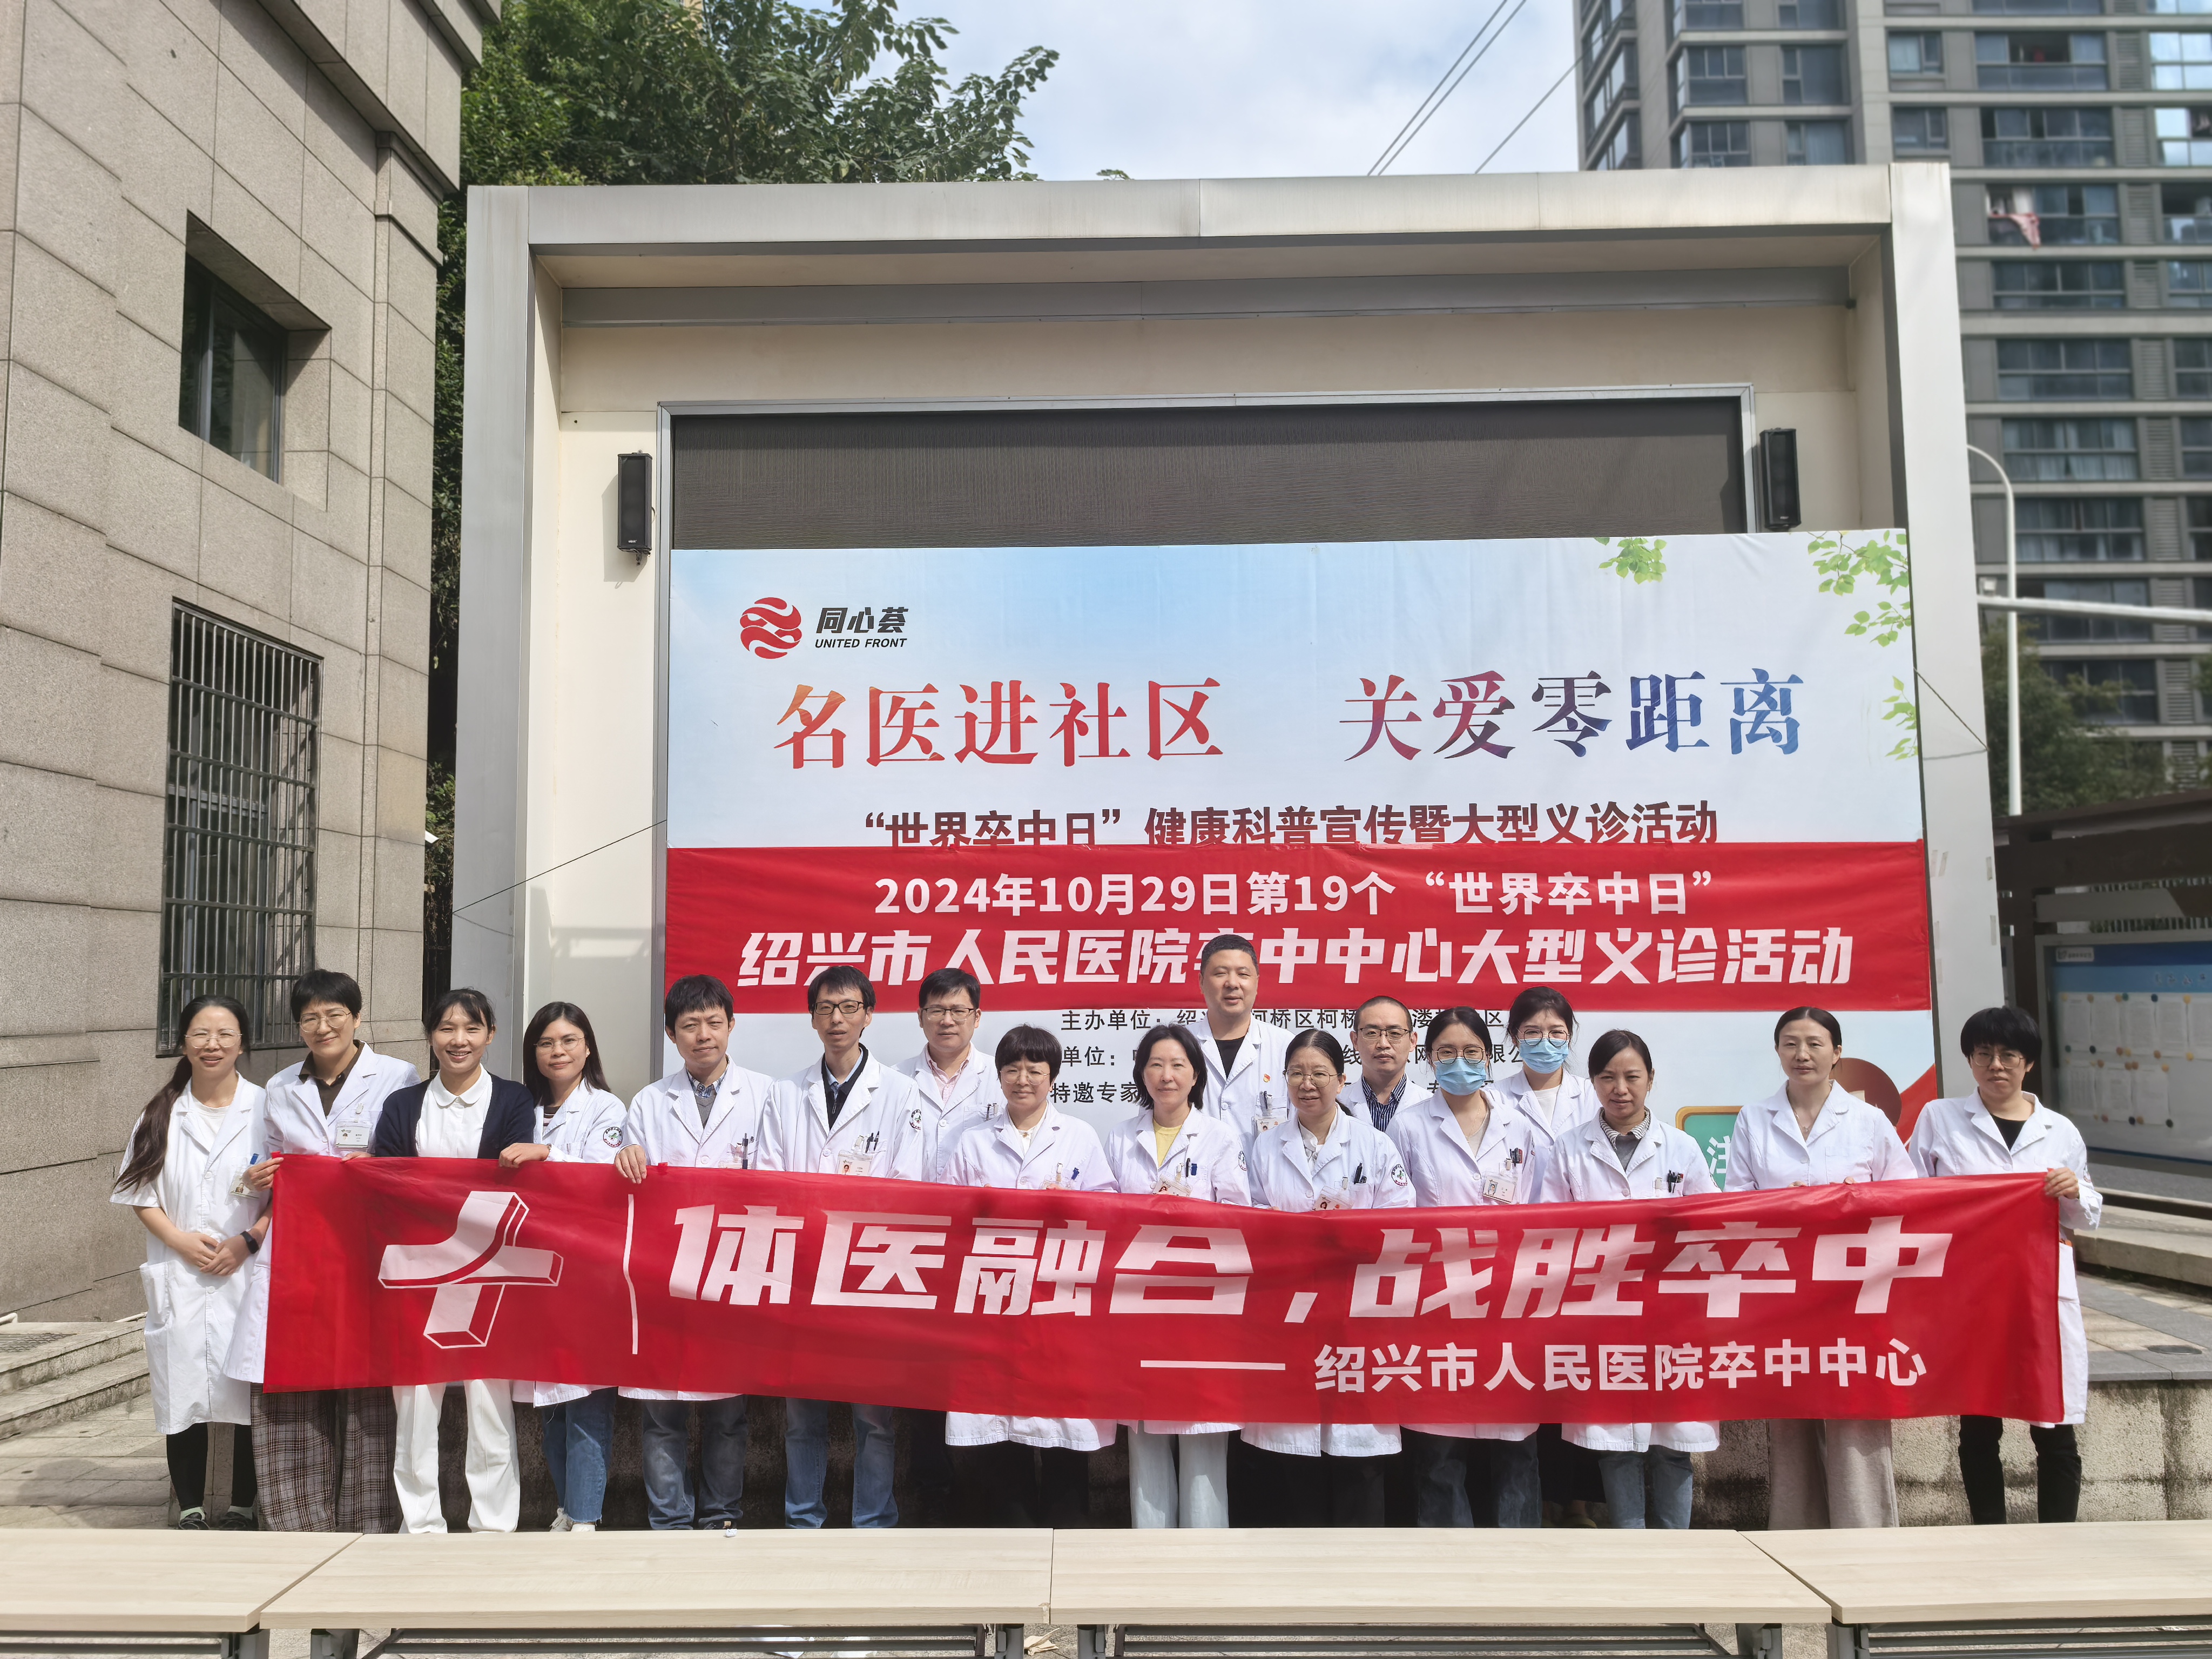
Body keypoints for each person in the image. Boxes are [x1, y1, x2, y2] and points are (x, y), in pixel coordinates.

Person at [226, 968, 414, 1533]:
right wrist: (255, 1180)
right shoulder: (281, 1086)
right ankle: (298, 1522)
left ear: (356, 1018)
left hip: (366, 1249)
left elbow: (412, 1156)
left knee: (367, 1383)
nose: (323, 1026)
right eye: (310, 1018)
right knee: (293, 1380)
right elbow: (269, 1159)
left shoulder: (398, 1077)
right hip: (300, 1252)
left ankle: (367, 1522)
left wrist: (378, 1165)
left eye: (334, 1014)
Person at [1908, 1005, 2099, 1524]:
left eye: (2009, 1055)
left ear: (2028, 1063)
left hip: (2040, 1292)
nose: (1996, 1065)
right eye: (1984, 1054)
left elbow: (2086, 1214)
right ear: (1970, 1061)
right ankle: (1988, 1534)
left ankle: (2058, 1538)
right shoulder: (1939, 1118)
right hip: (1972, 1292)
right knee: (1979, 1423)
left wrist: (2074, 1190)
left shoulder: (2060, 1130)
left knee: (2054, 1425)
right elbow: (1909, 1193)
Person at [758, 966, 934, 1528]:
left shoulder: (901, 1093)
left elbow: (908, 1183)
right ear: (812, 1018)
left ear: (869, 1015)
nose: (837, 1018)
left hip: (870, 1271)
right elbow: (768, 1181)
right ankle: (802, 1519)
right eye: (826, 1008)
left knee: (874, 1416)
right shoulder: (785, 1093)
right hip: (803, 1271)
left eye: (849, 1007)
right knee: (802, 1413)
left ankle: (873, 1521)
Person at [1728, 1006, 1917, 1529]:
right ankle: (1796, 1535)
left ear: (1837, 1053)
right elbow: (1735, 1202)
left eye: (1814, 1043)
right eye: (1790, 1043)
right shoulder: (1754, 1118)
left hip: (1852, 1290)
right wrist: (1778, 1205)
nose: (1802, 1054)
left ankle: (1865, 1537)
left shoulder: (1867, 1120)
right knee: (1790, 1416)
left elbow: (1907, 1195)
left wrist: (1853, 1200)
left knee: (1855, 1412)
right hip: (1782, 1290)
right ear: (1777, 1052)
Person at [372, 988, 538, 1534]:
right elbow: (387, 1182)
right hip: (420, 1272)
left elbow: (520, 1185)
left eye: (471, 1028)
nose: (458, 1039)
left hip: (488, 1272)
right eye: (446, 1028)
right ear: (430, 1036)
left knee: (489, 1403)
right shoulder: (403, 1105)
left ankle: (493, 1524)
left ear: (490, 1035)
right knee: (416, 1405)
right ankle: (420, 1524)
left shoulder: (514, 1102)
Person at [1536, 1030, 1718, 1529]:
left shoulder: (1680, 1148)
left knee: (1673, 1445)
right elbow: (1549, 1229)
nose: (1620, 1088)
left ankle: (1674, 1553)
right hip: (1601, 1313)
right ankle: (1631, 1551)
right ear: (1593, 1083)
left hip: (1670, 1316)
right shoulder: (1569, 1149)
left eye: (1632, 1077)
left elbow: (1711, 1226)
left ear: (1651, 1080)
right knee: (1615, 1446)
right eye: (1607, 1077)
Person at [936, 1024, 1116, 1525]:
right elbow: (950, 1214)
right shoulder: (973, 1141)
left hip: (1059, 1300)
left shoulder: (1079, 1136)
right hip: (994, 1298)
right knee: (1001, 1430)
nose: (1022, 1079)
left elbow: (1107, 1210)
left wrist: (1068, 1207)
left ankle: (1068, 1535)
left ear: (1052, 1077)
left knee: (1064, 1430)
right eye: (1012, 1069)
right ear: (998, 1077)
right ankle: (1012, 1540)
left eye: (1035, 1070)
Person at [615, 973, 777, 1531]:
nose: (703, 1035)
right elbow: (632, 1179)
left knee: (728, 1411)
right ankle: (669, 1521)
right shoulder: (649, 1102)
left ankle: (720, 1517)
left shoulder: (766, 1095)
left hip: (736, 1267)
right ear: (671, 1034)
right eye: (689, 1025)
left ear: (732, 1026)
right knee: (662, 1412)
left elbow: (777, 1180)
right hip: (667, 1271)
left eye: (713, 1022)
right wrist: (625, 1159)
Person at [1241, 1028, 1414, 1525]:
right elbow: (1252, 1220)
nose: (1307, 1083)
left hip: (1357, 1311)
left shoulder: (1374, 1144)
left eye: (1319, 1073)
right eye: (1296, 1073)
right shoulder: (1266, 1147)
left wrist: (1344, 1237)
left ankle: (1361, 1565)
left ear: (1341, 1081)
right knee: (1295, 1457)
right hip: (1290, 1311)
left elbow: (1401, 1221)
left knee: (1359, 1453)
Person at [113, 995, 268, 1530]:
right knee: (182, 1391)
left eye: (225, 1034)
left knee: (245, 1392)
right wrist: (179, 1241)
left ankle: (244, 1507)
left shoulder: (266, 1109)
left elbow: (289, 1195)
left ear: (242, 1043)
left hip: (245, 1270)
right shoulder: (161, 1113)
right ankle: (192, 1508)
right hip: (180, 1273)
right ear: (183, 1043)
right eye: (201, 1034)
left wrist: (249, 1240)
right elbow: (139, 1196)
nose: (212, 1045)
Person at [1386, 1006, 1543, 1527]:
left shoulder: (1519, 1126)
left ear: (1489, 1057)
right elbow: (1396, 1213)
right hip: (1437, 1297)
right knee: (1440, 1443)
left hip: (1509, 1297)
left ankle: (1518, 1557)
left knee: (1515, 1441)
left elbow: (1539, 1210)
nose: (1460, 1062)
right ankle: (1446, 1558)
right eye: (1447, 1052)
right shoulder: (1409, 1126)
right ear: (1430, 1059)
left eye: (1472, 1052)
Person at [1103, 1023, 1250, 1529]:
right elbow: (1105, 1214)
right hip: (1139, 1302)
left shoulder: (1220, 1137)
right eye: (1155, 1065)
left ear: (1195, 1075)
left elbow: (1239, 1217)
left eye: (1177, 1065)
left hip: (1201, 1303)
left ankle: (1205, 1559)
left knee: (1202, 1429)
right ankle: (1151, 1552)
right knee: (1145, 1433)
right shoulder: (1120, 1136)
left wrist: (1188, 1214)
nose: (1166, 1076)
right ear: (1142, 1074)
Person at [501, 1001, 640, 1534]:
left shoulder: (606, 1108)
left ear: (587, 1048)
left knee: (587, 1402)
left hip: (587, 1273)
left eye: (568, 1041)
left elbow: (601, 1180)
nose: (557, 1052)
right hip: (532, 1272)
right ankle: (566, 1509)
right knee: (551, 1406)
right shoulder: (520, 1107)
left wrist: (546, 1156)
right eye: (545, 1043)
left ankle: (584, 1517)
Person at [894, 965, 1004, 1516]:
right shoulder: (895, 1081)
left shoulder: (1000, 1080)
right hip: (914, 1247)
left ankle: (983, 1499)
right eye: (936, 1010)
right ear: (920, 1018)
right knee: (923, 1377)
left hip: (981, 1250)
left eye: (958, 1010)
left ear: (977, 1018)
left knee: (982, 1371)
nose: (947, 1020)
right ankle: (932, 1498)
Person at [1183, 934, 1314, 1145]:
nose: (1232, 984)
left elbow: (1308, 1127)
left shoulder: (1285, 1047)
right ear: (1201, 982)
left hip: (1267, 1168)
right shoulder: (1178, 1046)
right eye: (1220, 974)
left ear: (1256, 982)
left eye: (1243, 974)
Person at [1488, 986, 1599, 1155]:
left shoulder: (1593, 1096)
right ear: (1514, 1037)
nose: (1545, 1041)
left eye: (1556, 1032)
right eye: (1533, 1032)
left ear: (1569, 1037)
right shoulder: (1494, 1099)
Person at [1343, 995, 1427, 1132]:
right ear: (1355, 1040)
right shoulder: (1336, 1105)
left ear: (1412, 1041)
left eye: (1395, 1033)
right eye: (1372, 1033)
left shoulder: (1432, 1107)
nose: (1383, 1044)